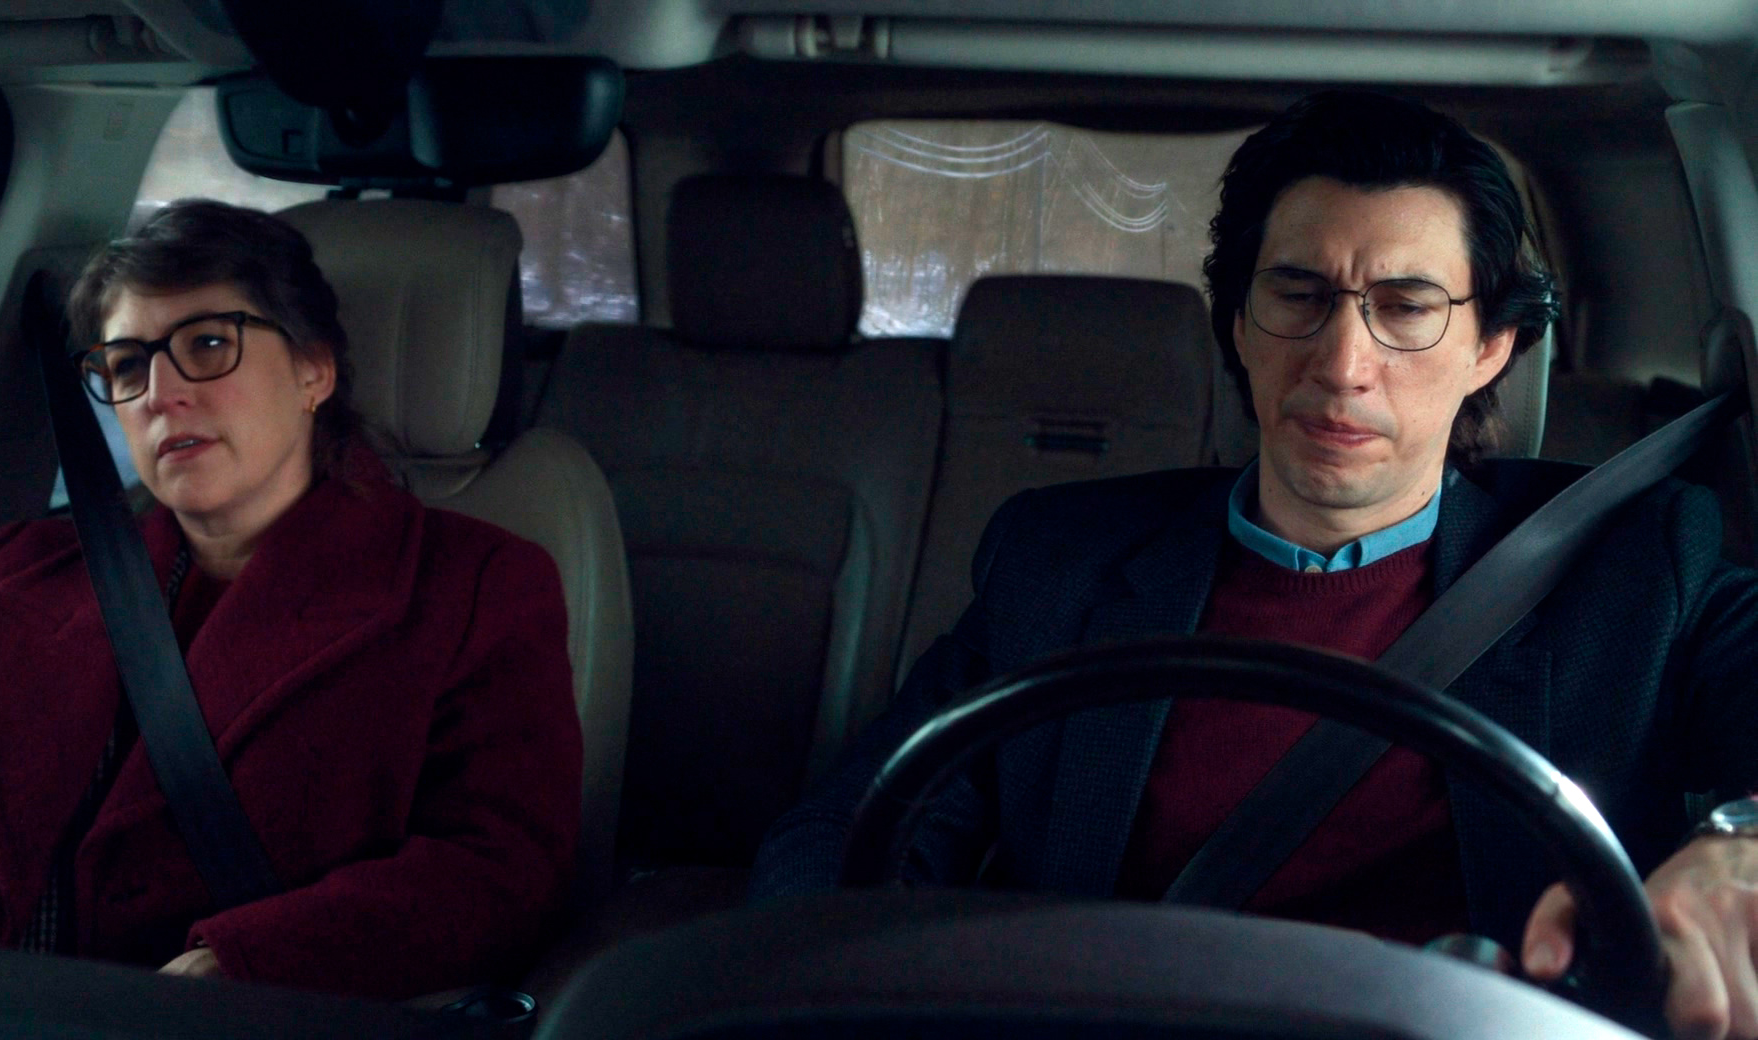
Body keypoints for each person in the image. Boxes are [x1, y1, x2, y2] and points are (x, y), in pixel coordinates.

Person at [751, 91, 1758, 1040]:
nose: (1342, 363)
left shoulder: (1635, 563)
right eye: (1298, 294)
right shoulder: (1059, 561)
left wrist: (1739, 842)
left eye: (1407, 306)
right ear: (1239, 321)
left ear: (1492, 344)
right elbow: (856, 820)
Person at [0, 200, 584, 1000]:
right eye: (128, 367)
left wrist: (248, 963)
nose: (160, 395)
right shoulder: (10, 577)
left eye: (209, 345)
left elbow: (502, 869)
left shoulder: (476, 587)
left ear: (313, 371)